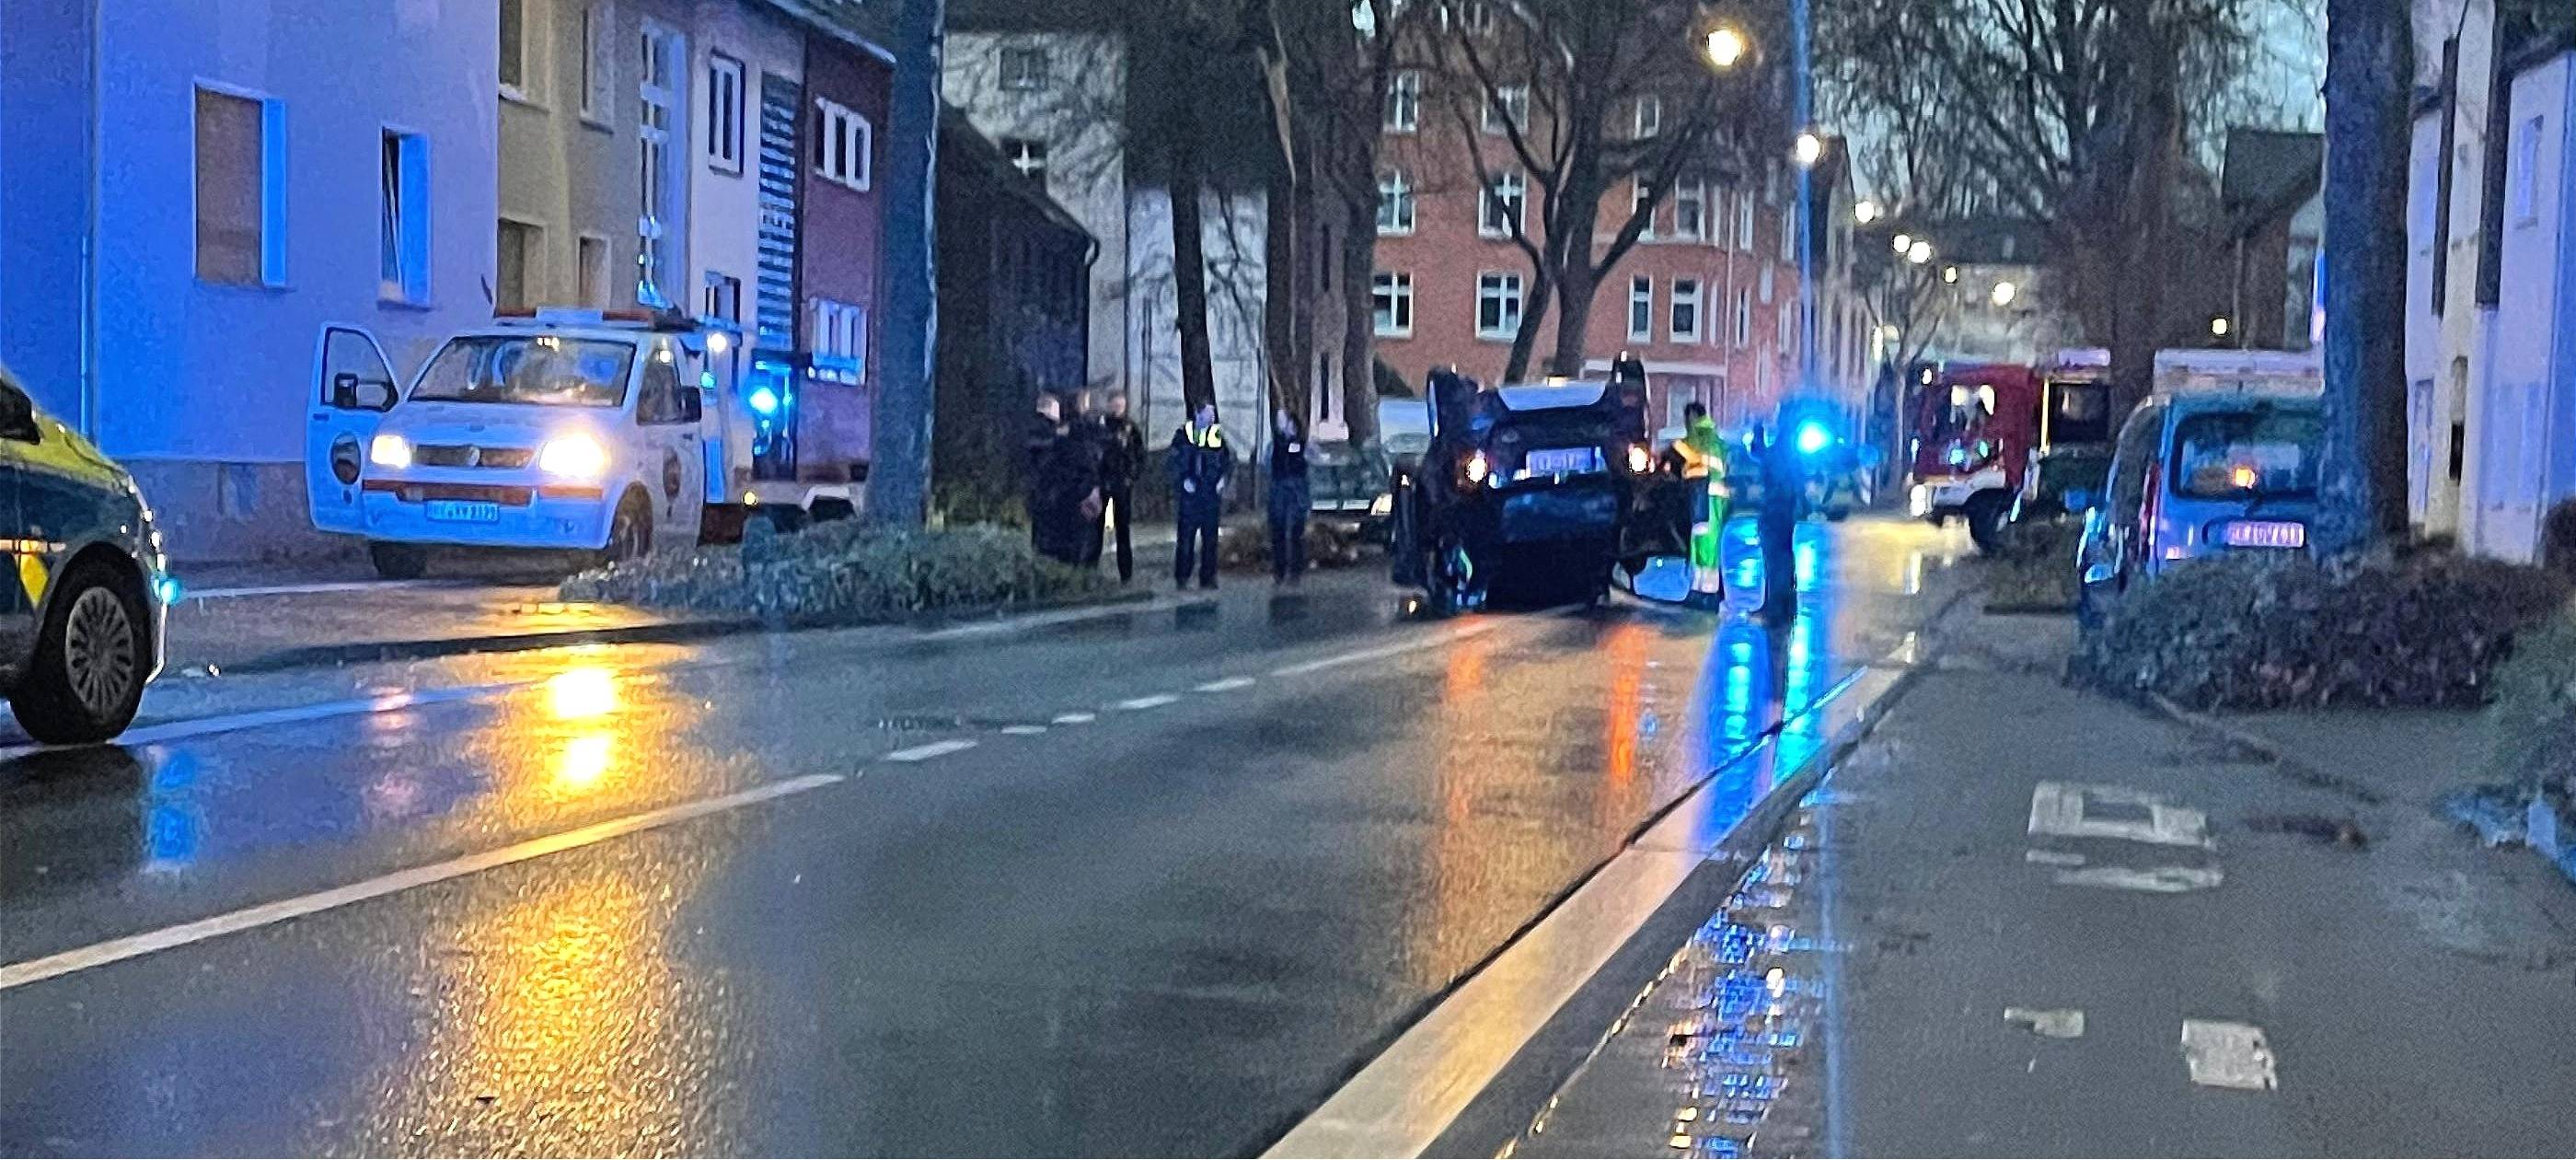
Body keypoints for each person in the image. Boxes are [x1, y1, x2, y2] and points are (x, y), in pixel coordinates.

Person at [1024, 393, 1101, 565]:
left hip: (1063, 499)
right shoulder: (1050, 435)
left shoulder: (1073, 435)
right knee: (1060, 549)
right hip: (1056, 498)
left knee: (1058, 549)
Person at [1668, 402, 1730, 596]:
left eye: (1688, 419)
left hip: (1708, 495)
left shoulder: (1704, 439)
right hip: (1704, 494)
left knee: (1706, 540)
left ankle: (1707, 586)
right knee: (1701, 539)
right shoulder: (1709, 439)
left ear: (1694, 417)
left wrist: (1677, 448)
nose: (1686, 423)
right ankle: (1701, 583)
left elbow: (1696, 456)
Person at [1168, 402, 1230, 589]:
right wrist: (1182, 480)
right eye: (1206, 416)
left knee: (1210, 538)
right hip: (1190, 494)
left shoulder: (1215, 436)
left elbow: (1226, 460)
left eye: (1212, 417)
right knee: (1186, 538)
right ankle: (1182, 576)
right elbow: (1174, 462)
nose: (1210, 420)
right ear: (1197, 414)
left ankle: (1208, 577)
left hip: (1210, 494)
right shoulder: (1184, 435)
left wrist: (1222, 480)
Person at [1092, 391, 1145, 582]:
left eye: (1121, 405)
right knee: (1097, 529)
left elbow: (1140, 456)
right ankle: (1092, 570)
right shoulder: (1101, 427)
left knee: (1123, 529)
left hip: (1122, 485)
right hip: (1103, 483)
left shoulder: (1130, 429)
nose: (1117, 409)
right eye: (1115, 405)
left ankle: (1126, 574)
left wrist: (1132, 477)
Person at [1266, 407, 1311, 586]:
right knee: (1278, 533)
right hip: (1280, 492)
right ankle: (1280, 571)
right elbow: (1268, 464)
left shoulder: (1300, 443)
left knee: (1295, 534)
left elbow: (1306, 465)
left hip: (1295, 493)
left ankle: (1295, 571)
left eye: (1282, 420)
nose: (1280, 424)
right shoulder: (1275, 444)